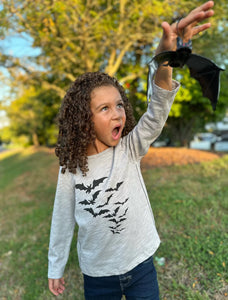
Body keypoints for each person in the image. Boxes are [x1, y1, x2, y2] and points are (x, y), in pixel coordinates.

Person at [48, 2, 214, 299]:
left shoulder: (128, 148)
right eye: (105, 108)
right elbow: (61, 221)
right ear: (84, 118)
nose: (118, 114)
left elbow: (158, 108)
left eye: (120, 105)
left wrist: (165, 58)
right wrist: (55, 267)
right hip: (98, 276)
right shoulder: (71, 168)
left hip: (140, 266)